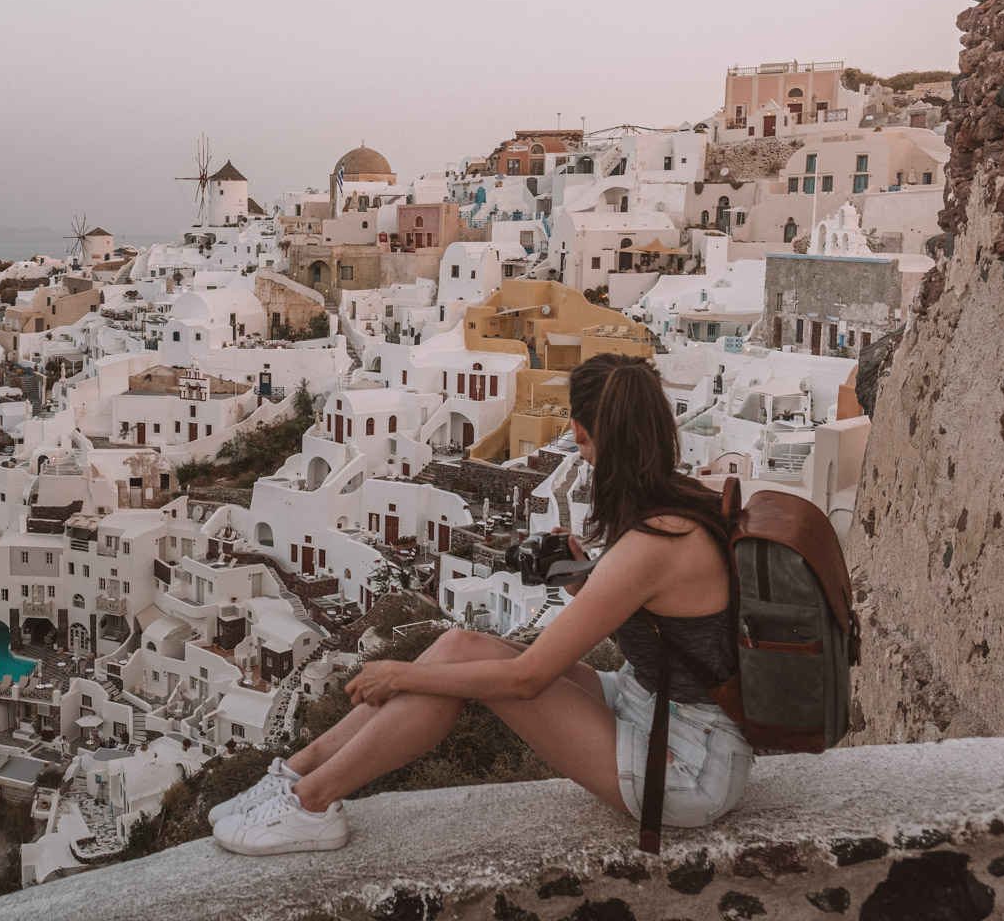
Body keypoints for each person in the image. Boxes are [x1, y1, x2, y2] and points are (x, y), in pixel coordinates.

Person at [211, 353, 752, 855]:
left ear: (583, 431)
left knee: (460, 668)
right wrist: (585, 575)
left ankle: (310, 805)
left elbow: (525, 681)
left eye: (576, 430)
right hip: (653, 705)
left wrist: (402, 675)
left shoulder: (654, 543)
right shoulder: (676, 505)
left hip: (687, 762)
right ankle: (294, 775)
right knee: (460, 643)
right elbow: (663, 622)